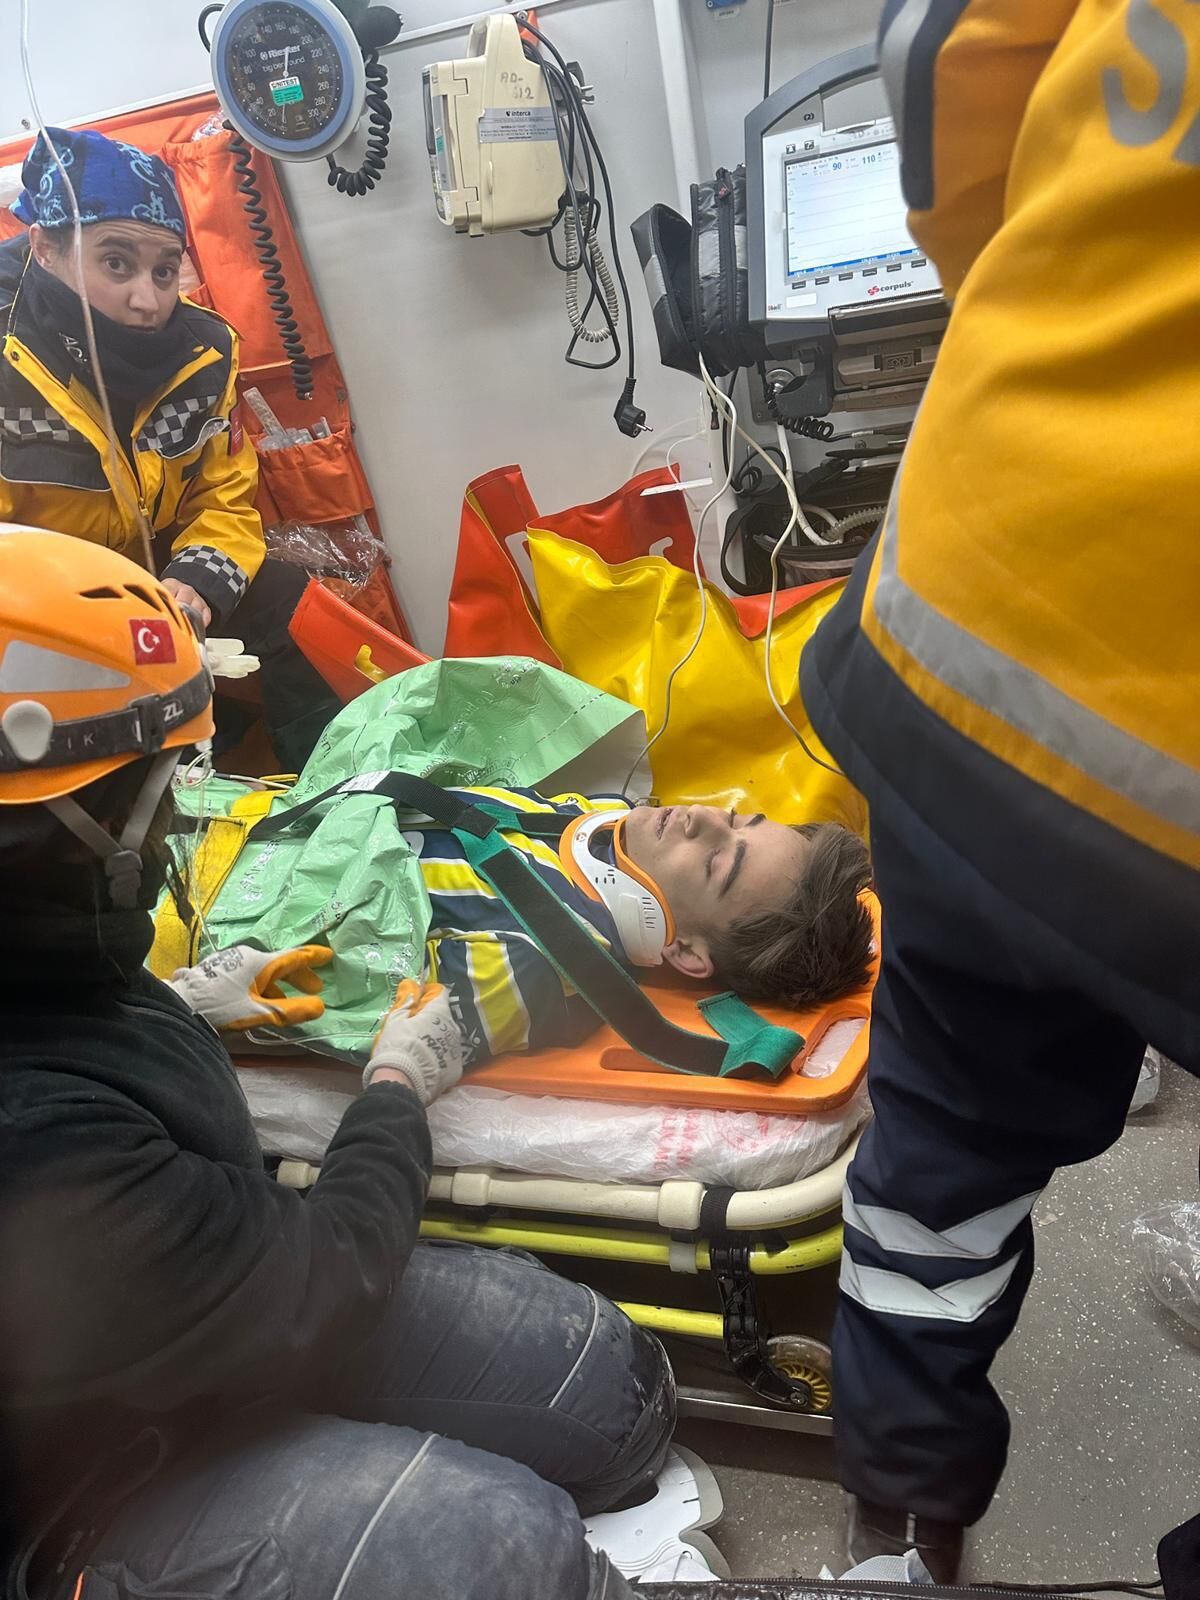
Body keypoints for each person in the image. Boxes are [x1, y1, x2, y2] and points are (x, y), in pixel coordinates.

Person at [0, 528, 673, 1600]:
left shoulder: (43, 936)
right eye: (164, 787)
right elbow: (324, 1270)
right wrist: (396, 1090)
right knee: (513, 1560)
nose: (177, 820)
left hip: (160, 1320)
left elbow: (59, 1034)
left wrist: (179, 1005)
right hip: (60, 1480)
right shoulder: (36, 1141)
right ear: (54, 824)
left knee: (607, 1380)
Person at [799, 0, 1200, 1578]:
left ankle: (903, 1517)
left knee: (938, 1157)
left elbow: (938, 63)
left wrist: (1066, 340)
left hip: (970, 625)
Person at [0, 125, 341, 769]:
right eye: (116, 263)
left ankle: (330, 788)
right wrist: (84, 617)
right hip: (37, 606)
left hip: (160, 572)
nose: (148, 300)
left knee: (290, 599)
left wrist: (197, 582)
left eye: (164, 270)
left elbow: (224, 496)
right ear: (45, 248)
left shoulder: (206, 355)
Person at [161, 775, 874, 1066]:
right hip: (218, 809)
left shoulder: (544, 967)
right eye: (740, 820)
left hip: (180, 909)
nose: (704, 818)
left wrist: (201, 999)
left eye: (719, 861)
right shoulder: (583, 816)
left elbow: (361, 1000)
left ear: (687, 953)